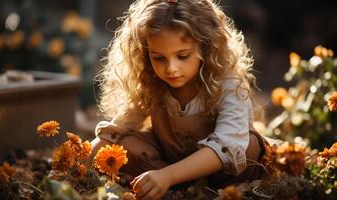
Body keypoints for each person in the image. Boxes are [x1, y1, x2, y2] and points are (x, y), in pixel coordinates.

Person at [90, 0, 269, 199]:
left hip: (225, 177)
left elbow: (228, 145)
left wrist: (168, 175)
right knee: (119, 143)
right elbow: (118, 130)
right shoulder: (152, 82)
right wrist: (79, 162)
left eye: (182, 56)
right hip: (171, 169)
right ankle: (175, 188)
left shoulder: (227, 85)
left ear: (206, 47)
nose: (171, 68)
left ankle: (176, 185)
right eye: (159, 58)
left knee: (247, 146)